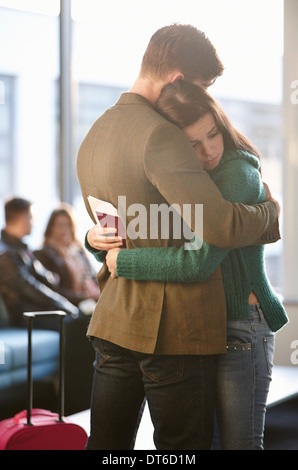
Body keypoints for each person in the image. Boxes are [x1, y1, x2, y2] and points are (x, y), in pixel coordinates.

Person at [77, 24, 281, 450]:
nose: (203, 98)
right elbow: (218, 227)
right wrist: (269, 214)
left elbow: (115, 226)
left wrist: (94, 240)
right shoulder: (162, 134)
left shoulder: (95, 133)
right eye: (202, 86)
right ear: (178, 81)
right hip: (168, 325)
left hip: (115, 316)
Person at [0, 197, 79, 328]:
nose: (33, 222)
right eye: (31, 217)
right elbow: (28, 287)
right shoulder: (5, 254)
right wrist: (62, 304)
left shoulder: (21, 248)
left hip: (36, 309)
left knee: (80, 320)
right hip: (27, 315)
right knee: (76, 324)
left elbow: (45, 278)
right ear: (23, 220)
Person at [34, 205, 100, 314]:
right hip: (67, 307)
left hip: (91, 301)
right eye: (59, 225)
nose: (64, 230)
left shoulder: (79, 251)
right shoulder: (42, 254)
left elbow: (93, 275)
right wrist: (82, 297)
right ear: (51, 228)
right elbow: (52, 290)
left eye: (68, 225)